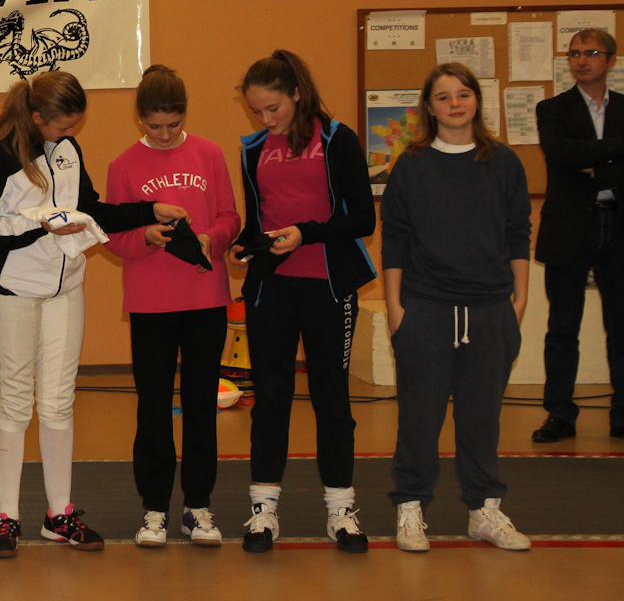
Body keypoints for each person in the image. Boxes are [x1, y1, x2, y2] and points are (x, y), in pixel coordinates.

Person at [0, 71, 184, 557]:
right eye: (63, 126)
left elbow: (89, 208)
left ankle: (58, 514)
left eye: (73, 128)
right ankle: (6, 517)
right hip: (11, 290)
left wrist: (149, 210)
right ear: (35, 117)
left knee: (59, 401)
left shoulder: (66, 149)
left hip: (65, 289)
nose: (69, 134)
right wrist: (41, 227)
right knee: (14, 401)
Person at [229, 50, 376, 553]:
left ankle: (341, 509)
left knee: (331, 397)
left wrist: (306, 234)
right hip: (271, 289)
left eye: (273, 108)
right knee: (270, 398)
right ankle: (263, 509)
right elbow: (258, 218)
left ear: (296, 93)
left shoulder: (336, 139)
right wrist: (244, 246)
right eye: (256, 112)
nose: (265, 119)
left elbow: (362, 219)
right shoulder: (253, 149)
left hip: (328, 285)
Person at [382, 63, 532, 551]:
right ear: (429, 107)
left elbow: (518, 232)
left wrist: (520, 299)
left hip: (490, 309)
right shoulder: (411, 165)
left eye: (463, 94)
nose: (454, 104)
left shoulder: (504, 162)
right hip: (425, 308)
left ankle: (484, 510)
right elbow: (395, 240)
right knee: (419, 419)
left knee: (482, 419)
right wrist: (395, 307)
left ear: (476, 101)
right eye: (443, 96)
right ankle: (410, 507)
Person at [105, 65, 240, 548]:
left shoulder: (209, 154)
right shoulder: (123, 165)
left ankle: (198, 506)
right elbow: (114, 235)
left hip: (205, 299)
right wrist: (146, 236)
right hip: (151, 303)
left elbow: (230, 217)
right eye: (154, 125)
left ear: (185, 115)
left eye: (173, 124)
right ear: (139, 118)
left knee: (202, 405)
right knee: (154, 407)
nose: (164, 134)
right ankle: (155, 508)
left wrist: (211, 239)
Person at [532, 28, 623, 442]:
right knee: (563, 326)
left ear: (611, 60)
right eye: (574, 54)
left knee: (620, 326)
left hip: (618, 224)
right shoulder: (552, 108)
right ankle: (560, 415)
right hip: (569, 227)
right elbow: (560, 154)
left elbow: (576, 158)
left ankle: (622, 415)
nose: (581, 60)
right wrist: (616, 153)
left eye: (591, 53)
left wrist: (591, 165)